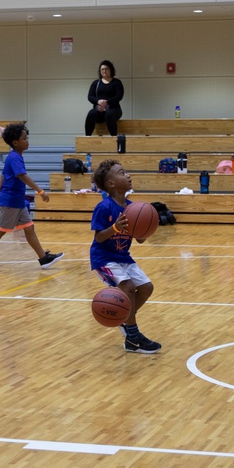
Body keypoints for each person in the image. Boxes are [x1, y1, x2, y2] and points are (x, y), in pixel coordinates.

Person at [89, 159, 161, 354]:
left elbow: (139, 239)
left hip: (123, 257)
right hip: (103, 258)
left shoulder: (132, 208)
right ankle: (133, 337)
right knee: (128, 288)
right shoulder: (104, 207)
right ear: (111, 184)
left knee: (146, 287)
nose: (127, 175)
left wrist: (146, 228)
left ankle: (125, 319)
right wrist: (115, 227)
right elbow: (99, 237)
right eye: (122, 173)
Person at [0, 123, 63, 272]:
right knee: (1, 229)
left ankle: (43, 258)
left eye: (27, 137)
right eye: (24, 138)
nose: (28, 141)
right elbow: (22, 176)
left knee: (29, 228)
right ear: (15, 142)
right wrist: (40, 191)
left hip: (18, 201)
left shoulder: (14, 157)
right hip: (11, 200)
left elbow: (3, 176)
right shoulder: (14, 157)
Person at [84, 60, 125, 137]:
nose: (104, 71)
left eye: (106, 69)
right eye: (102, 69)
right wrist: (98, 102)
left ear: (111, 70)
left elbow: (119, 96)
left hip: (114, 110)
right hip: (99, 111)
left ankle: (114, 138)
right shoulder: (96, 83)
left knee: (109, 114)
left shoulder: (117, 82)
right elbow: (90, 96)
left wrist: (107, 102)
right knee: (91, 113)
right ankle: (87, 137)